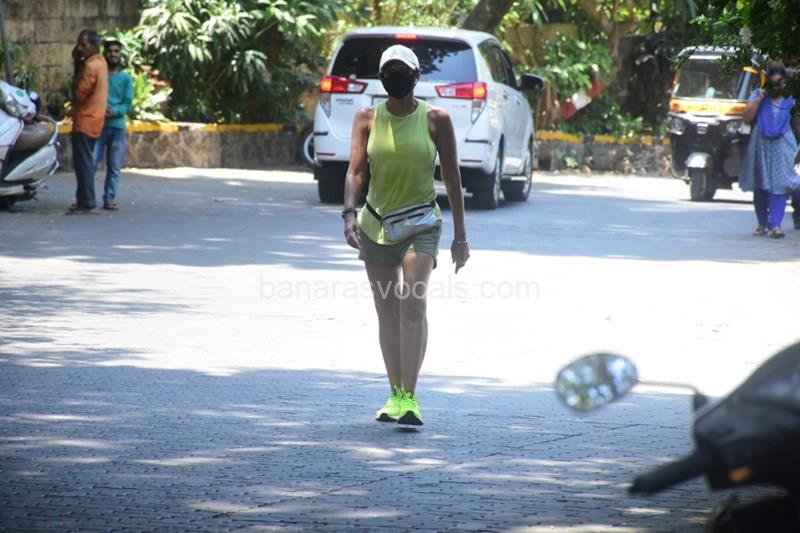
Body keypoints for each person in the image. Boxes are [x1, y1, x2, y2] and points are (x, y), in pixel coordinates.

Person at [342, 45, 469, 426]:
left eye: (402, 71)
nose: (395, 77)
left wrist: (461, 236)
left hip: (421, 223)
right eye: (389, 71)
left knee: (412, 304)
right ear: (382, 78)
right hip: (376, 224)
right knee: (387, 310)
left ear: (416, 77)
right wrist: (349, 215)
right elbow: (356, 171)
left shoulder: (436, 119)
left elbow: (452, 177)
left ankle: (410, 397)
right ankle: (395, 393)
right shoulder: (367, 118)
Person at [740, 66, 800, 238]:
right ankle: (762, 223)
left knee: (781, 184)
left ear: (784, 82)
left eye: (779, 83)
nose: (775, 87)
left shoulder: (791, 99)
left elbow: (797, 123)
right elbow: (747, 118)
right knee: (761, 183)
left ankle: (776, 226)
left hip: (783, 144)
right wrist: (759, 100)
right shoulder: (758, 95)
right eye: (772, 84)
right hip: (761, 144)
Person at [68, 29, 108, 214]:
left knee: (82, 163)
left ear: (93, 45)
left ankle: (87, 202)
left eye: (83, 45)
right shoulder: (101, 63)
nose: (80, 48)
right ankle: (83, 199)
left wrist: (77, 66)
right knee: (84, 162)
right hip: (95, 119)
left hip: (85, 120)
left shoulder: (91, 66)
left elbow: (79, 93)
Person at [93, 39, 133, 210]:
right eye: (110, 51)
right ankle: (86, 198)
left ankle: (109, 198)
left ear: (121, 54)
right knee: (91, 164)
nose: (113, 54)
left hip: (117, 128)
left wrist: (115, 111)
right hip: (98, 126)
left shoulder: (126, 79)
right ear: (105, 54)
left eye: (116, 51)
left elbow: (127, 104)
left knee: (114, 166)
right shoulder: (99, 76)